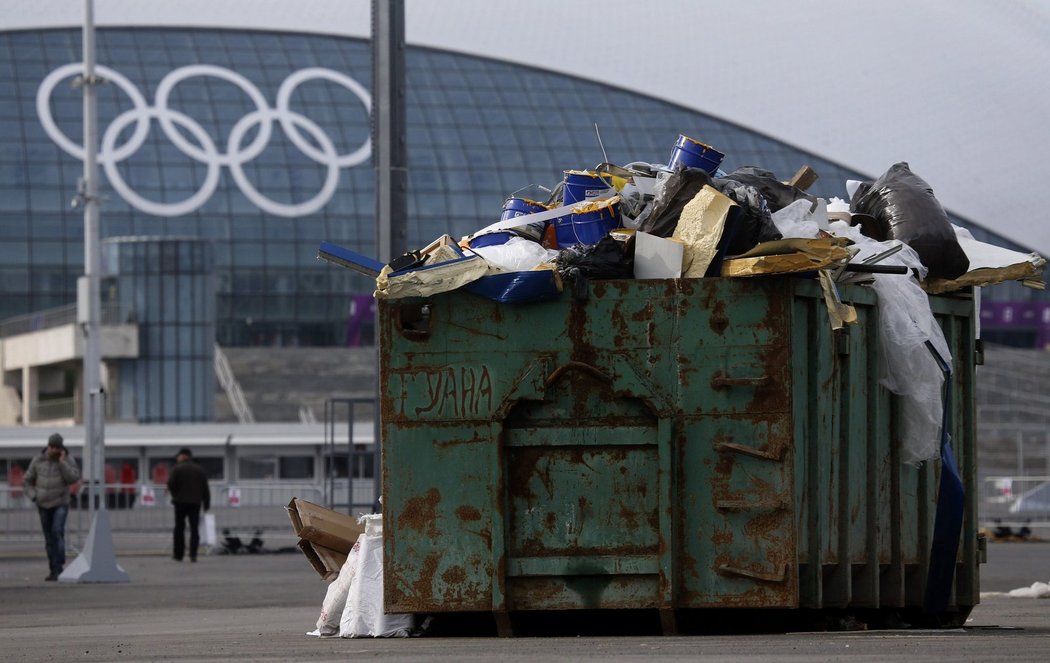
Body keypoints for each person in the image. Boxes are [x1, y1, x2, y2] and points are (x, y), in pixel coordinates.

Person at [24, 433, 80, 581]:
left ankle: (59, 566)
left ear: (61, 448)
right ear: (47, 446)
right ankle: (53, 570)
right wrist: (33, 496)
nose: (54, 450)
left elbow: (73, 478)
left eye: (57, 447)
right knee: (49, 538)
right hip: (42, 504)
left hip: (60, 503)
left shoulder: (67, 460)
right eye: (52, 447)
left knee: (57, 532)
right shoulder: (38, 460)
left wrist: (62, 463)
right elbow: (27, 480)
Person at [166, 447, 210, 562]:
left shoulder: (177, 469)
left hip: (180, 502)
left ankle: (178, 554)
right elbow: (205, 488)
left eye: (179, 456)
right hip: (195, 503)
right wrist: (206, 504)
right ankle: (193, 555)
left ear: (184, 456)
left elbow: (171, 484)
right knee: (194, 529)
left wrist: (175, 495)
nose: (177, 458)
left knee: (179, 528)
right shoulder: (200, 470)